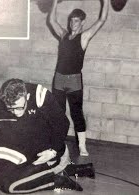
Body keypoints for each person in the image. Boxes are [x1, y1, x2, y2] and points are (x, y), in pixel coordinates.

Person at [48, 0, 109, 156]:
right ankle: (57, 143)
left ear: (82, 23)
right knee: (58, 113)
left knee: (76, 113)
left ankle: (82, 146)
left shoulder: (84, 37)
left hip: (74, 80)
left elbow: (102, 20)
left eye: (76, 20)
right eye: (71, 20)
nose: (72, 23)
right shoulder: (63, 35)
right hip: (59, 79)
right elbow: (52, 20)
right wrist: (55, 1)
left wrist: (106, 2)